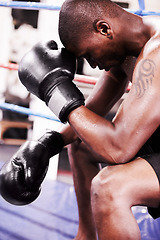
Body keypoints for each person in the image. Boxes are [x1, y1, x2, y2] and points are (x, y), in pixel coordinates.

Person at [0, 0, 160, 239]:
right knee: (82, 144)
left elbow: (118, 148)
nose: (93, 64)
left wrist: (54, 90)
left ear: (104, 29)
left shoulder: (156, 52)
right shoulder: (127, 50)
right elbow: (90, 115)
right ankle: (85, 236)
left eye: (88, 54)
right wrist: (47, 144)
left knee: (109, 188)